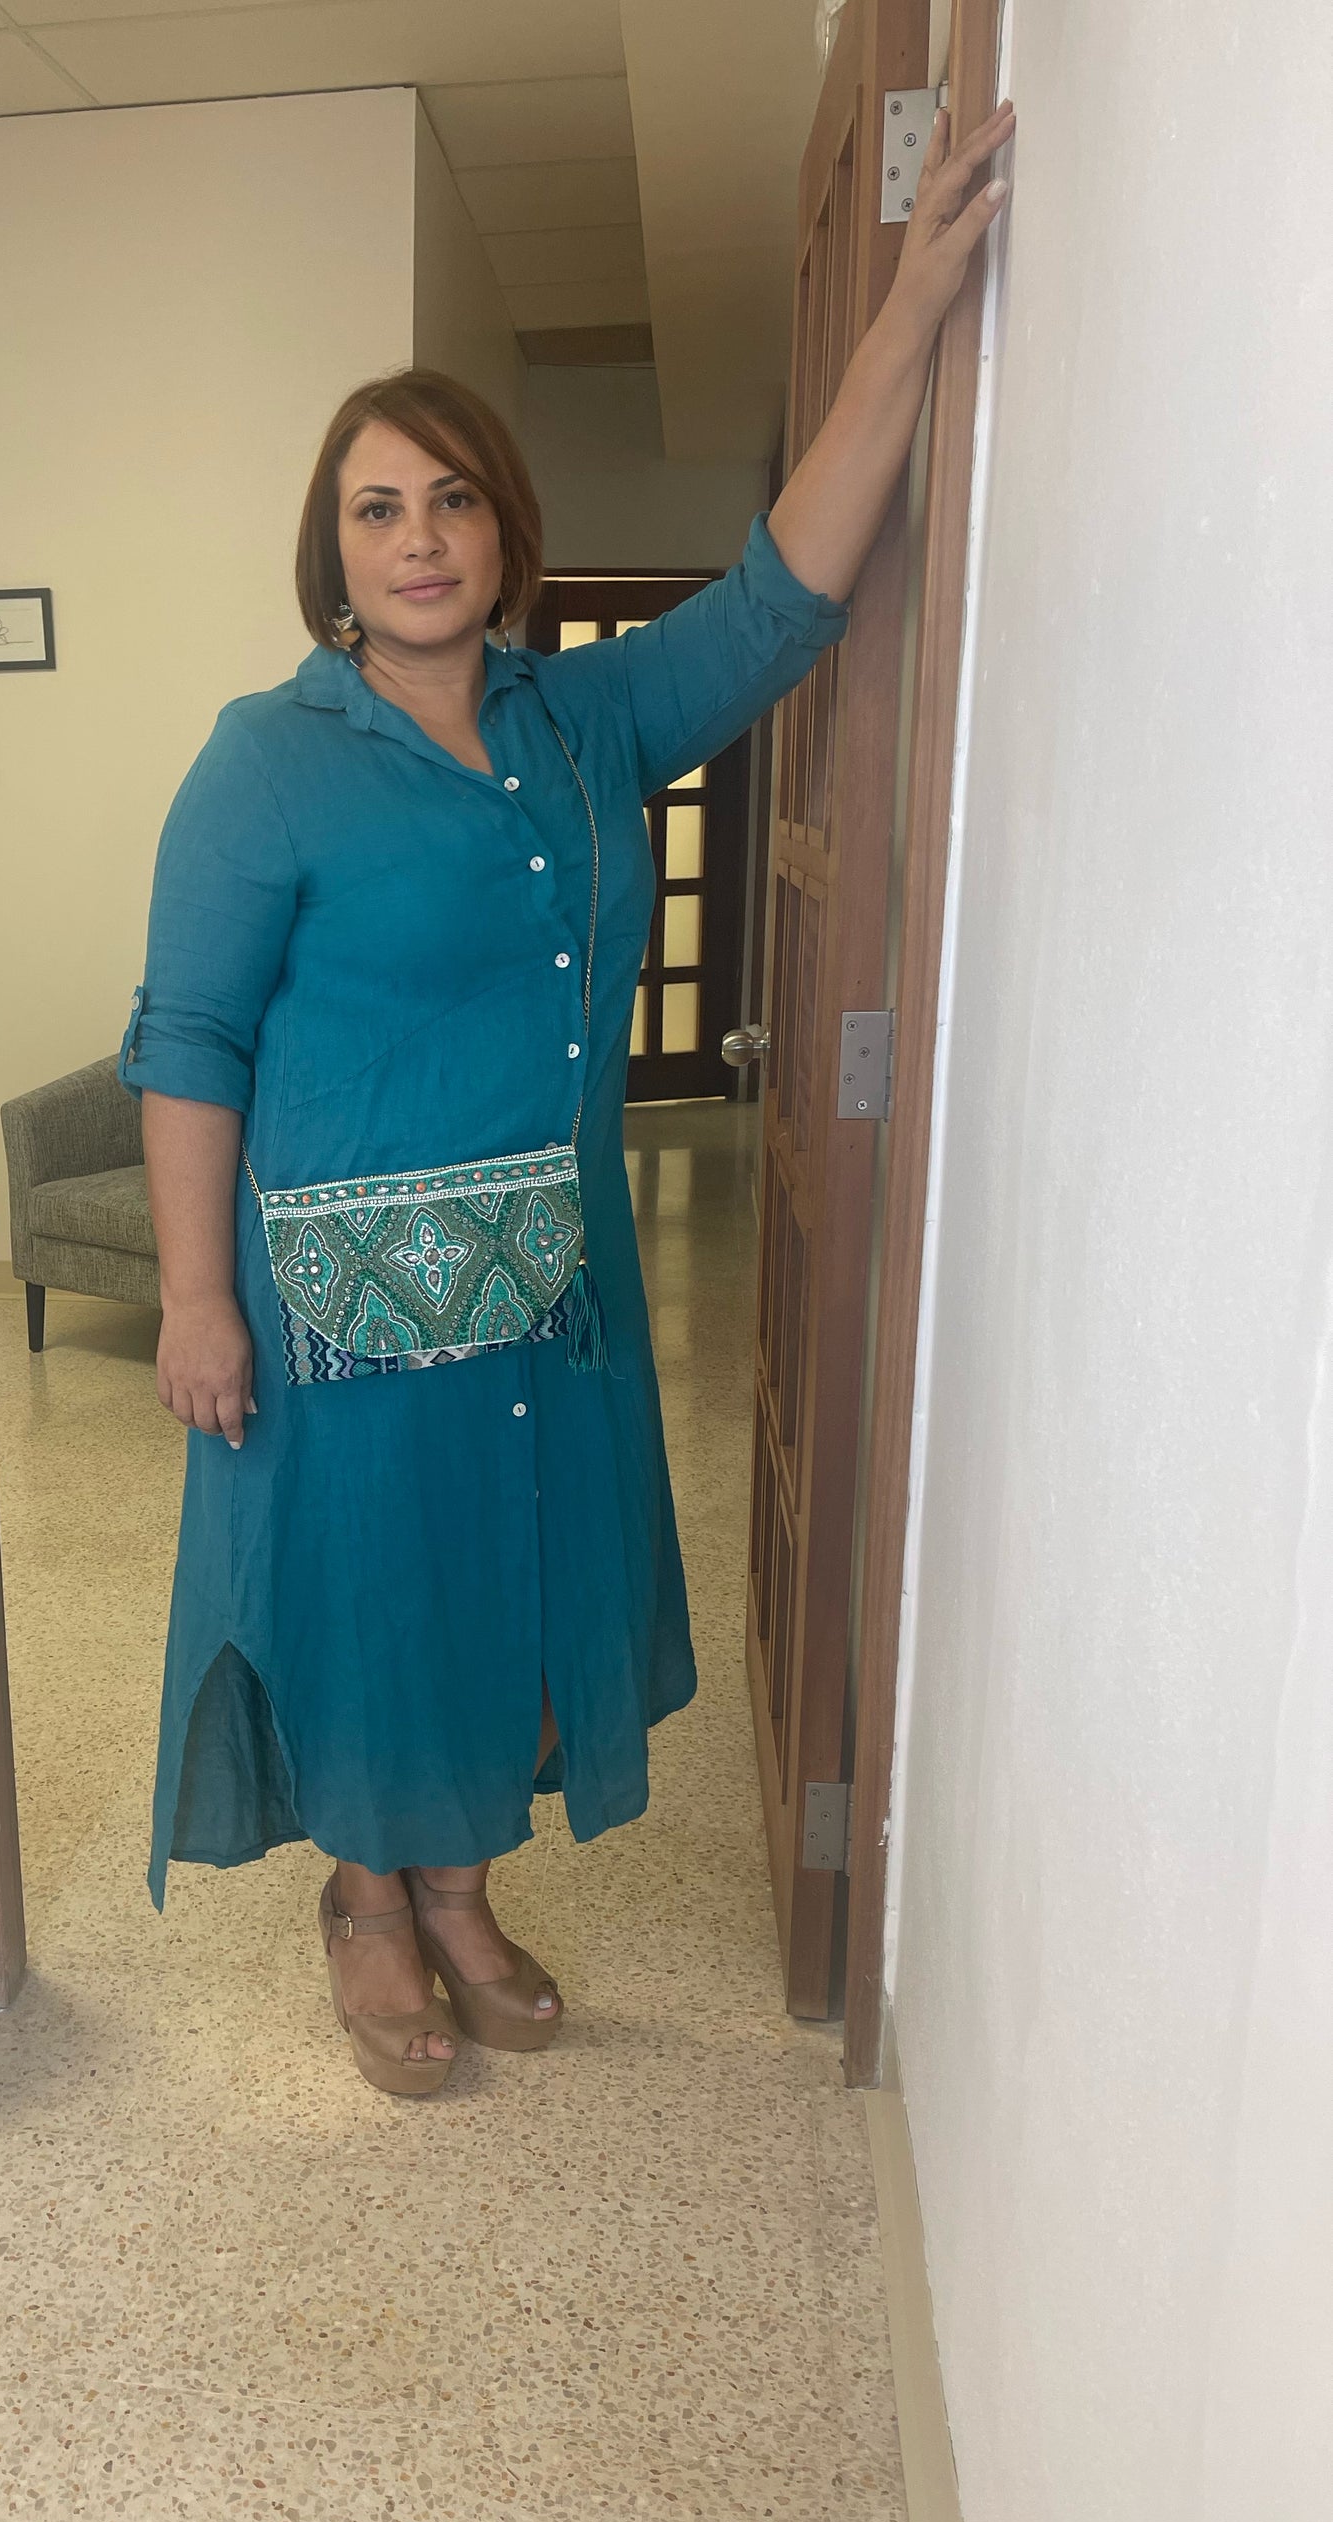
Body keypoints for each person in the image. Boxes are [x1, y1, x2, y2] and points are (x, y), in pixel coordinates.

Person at [120, 107, 1015, 2095]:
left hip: (550, 1272)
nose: (418, 536)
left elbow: (781, 598)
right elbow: (186, 1037)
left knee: (514, 1581)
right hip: (341, 1294)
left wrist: (914, 307)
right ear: (332, 553)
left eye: (449, 497)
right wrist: (191, 1299)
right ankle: (370, 1899)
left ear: (502, 527)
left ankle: (458, 1881)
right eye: (375, 508)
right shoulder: (267, 761)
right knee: (377, 1595)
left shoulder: (583, 721)